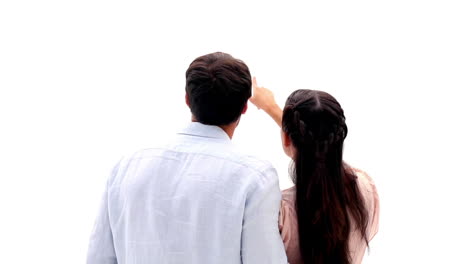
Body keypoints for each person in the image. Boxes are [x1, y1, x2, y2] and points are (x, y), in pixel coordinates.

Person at [86, 53, 287, 264]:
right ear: (245, 108)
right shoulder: (255, 177)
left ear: (187, 99)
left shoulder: (127, 166)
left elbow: (99, 257)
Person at [250, 78, 380, 264]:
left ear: (287, 139)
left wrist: (272, 109)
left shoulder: (280, 214)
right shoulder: (364, 189)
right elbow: (320, 150)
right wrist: (272, 108)